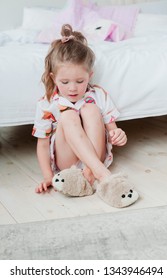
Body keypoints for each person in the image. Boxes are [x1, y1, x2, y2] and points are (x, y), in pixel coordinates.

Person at [32, 24, 127, 193]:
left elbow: (113, 131)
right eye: (65, 82)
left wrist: (118, 135)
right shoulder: (47, 104)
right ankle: (100, 174)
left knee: (90, 109)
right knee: (68, 116)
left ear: (89, 75)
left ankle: (91, 172)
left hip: (97, 156)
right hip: (67, 162)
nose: (73, 88)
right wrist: (48, 176)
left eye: (80, 81)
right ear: (54, 78)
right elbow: (43, 145)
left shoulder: (98, 94)